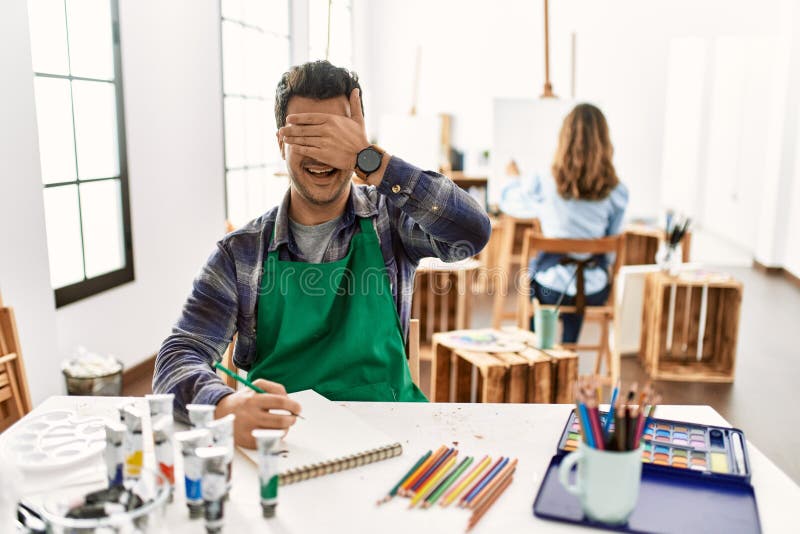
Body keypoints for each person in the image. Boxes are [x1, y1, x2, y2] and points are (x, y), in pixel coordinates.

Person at [153, 61, 491, 447]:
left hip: (393, 434)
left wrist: (374, 163)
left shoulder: (390, 223)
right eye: (305, 136)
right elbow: (178, 356)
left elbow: (472, 232)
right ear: (280, 142)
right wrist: (225, 406)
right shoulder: (241, 253)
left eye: (335, 137)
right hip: (286, 441)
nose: (321, 153)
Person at [522, 103, 628, 343]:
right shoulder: (617, 191)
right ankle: (569, 349)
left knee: (538, 285)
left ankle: (537, 348)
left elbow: (515, 202)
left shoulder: (543, 181)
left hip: (549, 289)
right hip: (594, 292)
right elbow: (610, 257)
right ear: (605, 141)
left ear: (564, 139)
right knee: (582, 279)